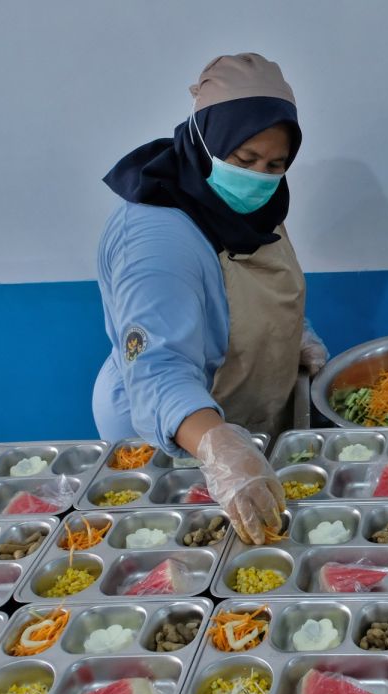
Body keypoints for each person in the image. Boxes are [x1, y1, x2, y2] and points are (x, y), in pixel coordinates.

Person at [93, 54, 328, 543]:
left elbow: (253, 284)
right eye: (244, 161)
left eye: (275, 165)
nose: (259, 177)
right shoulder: (156, 239)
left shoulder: (251, 203)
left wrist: (292, 334)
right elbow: (157, 371)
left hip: (240, 419)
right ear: (205, 139)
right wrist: (219, 447)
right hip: (172, 435)